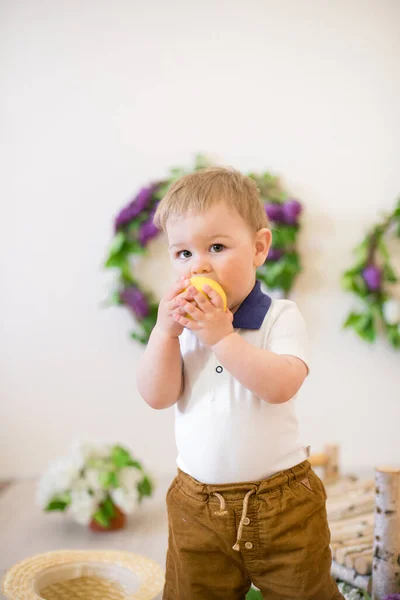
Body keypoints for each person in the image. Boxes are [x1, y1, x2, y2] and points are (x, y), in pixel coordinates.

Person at [137, 167, 344, 600]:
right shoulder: (182, 327)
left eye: (216, 246)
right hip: (197, 505)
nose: (200, 265)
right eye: (183, 254)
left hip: (282, 503)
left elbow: (280, 385)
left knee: (305, 591)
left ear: (258, 248)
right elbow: (156, 396)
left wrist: (222, 337)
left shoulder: (279, 316)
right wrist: (164, 334)